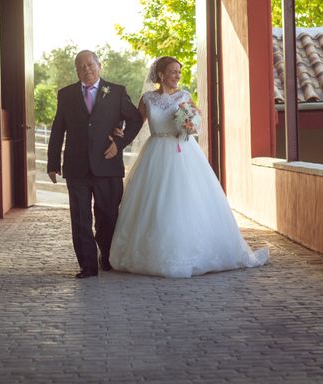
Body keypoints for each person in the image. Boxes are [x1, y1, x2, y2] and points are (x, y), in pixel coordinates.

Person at [109, 56, 269, 278]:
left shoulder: (185, 96)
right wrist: (120, 134)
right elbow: (136, 124)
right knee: (155, 202)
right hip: (155, 153)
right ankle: (151, 253)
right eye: (173, 71)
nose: (177, 76)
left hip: (183, 152)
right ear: (161, 74)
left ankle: (192, 251)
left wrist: (190, 124)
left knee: (184, 199)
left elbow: (196, 124)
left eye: (179, 72)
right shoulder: (147, 99)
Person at [47, 50, 143, 278]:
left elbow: (136, 119)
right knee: (80, 218)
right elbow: (58, 128)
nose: (86, 69)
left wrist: (119, 143)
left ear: (99, 65)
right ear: (76, 70)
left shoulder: (117, 92)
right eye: (81, 66)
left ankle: (107, 256)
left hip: (107, 165)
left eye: (90, 64)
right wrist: (52, 162)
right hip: (76, 167)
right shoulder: (66, 94)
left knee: (108, 216)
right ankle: (87, 265)